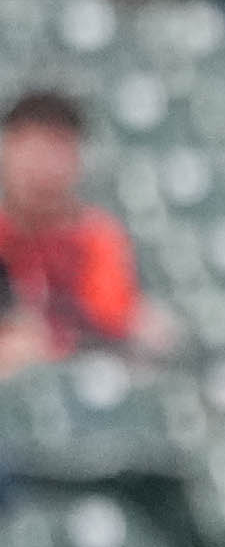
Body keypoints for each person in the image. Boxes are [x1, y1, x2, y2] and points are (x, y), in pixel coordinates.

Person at [0, 89, 142, 357]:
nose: (40, 167)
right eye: (29, 149)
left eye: (54, 149)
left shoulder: (96, 238)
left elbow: (109, 322)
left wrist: (43, 335)